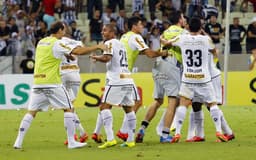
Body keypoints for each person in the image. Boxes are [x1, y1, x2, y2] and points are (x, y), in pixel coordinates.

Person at [13, 21, 106, 149]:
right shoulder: (57, 43)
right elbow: (79, 51)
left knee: (31, 112)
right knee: (68, 108)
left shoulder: (41, 41)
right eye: (64, 30)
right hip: (52, 83)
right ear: (60, 30)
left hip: (38, 82)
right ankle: (72, 141)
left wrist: (66, 54)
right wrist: (97, 47)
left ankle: (18, 142)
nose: (64, 32)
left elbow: (52, 54)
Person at [91, 16, 167, 142]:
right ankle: (123, 131)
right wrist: (162, 53)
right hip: (121, 75)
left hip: (113, 73)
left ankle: (97, 132)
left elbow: (137, 51)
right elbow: (149, 54)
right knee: (134, 102)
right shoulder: (135, 37)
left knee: (108, 104)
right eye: (140, 24)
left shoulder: (124, 37)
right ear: (134, 26)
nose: (142, 27)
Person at [164, 17, 229, 143]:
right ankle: (218, 131)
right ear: (200, 28)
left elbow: (167, 43)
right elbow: (214, 50)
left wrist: (162, 39)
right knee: (212, 103)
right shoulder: (205, 40)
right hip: (203, 78)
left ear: (187, 27)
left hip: (188, 77)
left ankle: (177, 133)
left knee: (183, 103)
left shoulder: (182, 39)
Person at [136, 10, 185, 143]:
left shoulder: (166, 32)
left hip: (159, 64)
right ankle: (165, 134)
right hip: (172, 65)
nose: (184, 19)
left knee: (158, 100)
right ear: (180, 20)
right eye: (183, 17)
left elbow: (163, 42)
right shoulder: (183, 33)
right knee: (173, 101)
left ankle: (142, 129)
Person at [90, 24, 137, 148]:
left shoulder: (109, 43)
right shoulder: (121, 44)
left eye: (105, 30)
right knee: (129, 109)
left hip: (116, 80)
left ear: (112, 32)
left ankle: (110, 139)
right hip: (127, 79)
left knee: (104, 107)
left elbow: (107, 58)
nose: (102, 32)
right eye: (102, 30)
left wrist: (96, 57)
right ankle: (131, 140)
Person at [60, 36, 89, 145]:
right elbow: (83, 50)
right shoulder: (77, 42)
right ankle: (80, 133)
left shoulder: (57, 43)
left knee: (67, 108)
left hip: (63, 75)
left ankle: (75, 135)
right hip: (76, 75)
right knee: (70, 107)